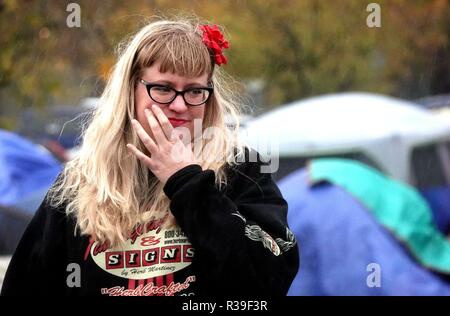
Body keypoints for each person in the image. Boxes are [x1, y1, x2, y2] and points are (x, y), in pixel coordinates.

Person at [1, 17, 299, 296]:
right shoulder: (82, 181)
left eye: (195, 91)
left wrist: (189, 183)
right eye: (163, 89)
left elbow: (267, 282)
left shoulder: (240, 169)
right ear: (131, 89)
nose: (180, 105)